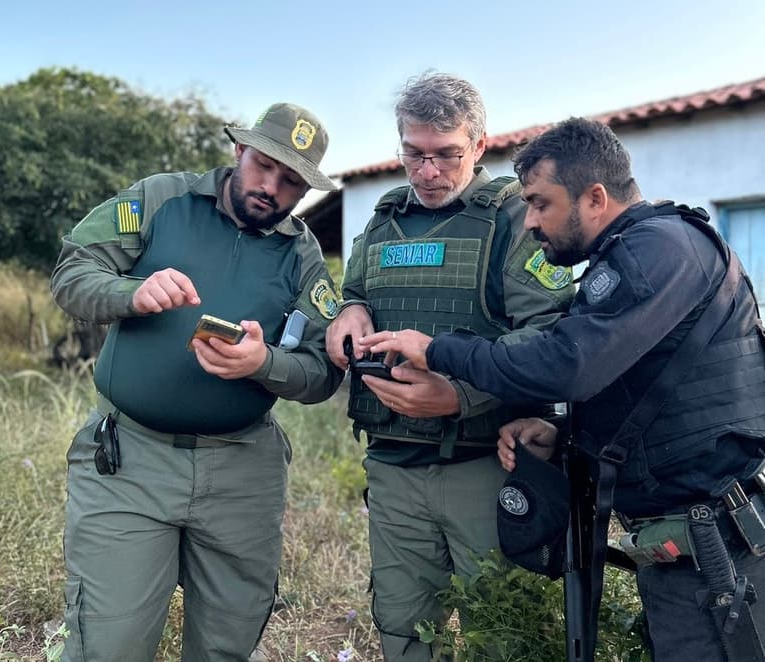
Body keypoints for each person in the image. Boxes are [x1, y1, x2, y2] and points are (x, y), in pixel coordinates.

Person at [359, 117, 765, 662]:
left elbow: (565, 362)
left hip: (720, 553)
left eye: (540, 203)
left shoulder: (659, 250)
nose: (529, 222)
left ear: (594, 198)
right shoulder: (633, 254)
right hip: (688, 547)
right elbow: (633, 385)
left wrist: (436, 350)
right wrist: (560, 431)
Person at [50, 102, 345, 662]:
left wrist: (263, 364)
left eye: (291, 181)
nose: (270, 187)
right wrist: (129, 294)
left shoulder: (302, 253)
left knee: (227, 645)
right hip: (130, 463)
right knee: (107, 643)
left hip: (242, 473)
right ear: (239, 150)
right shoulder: (160, 199)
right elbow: (73, 271)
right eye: (263, 165)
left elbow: (322, 372)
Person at [324, 72, 574, 660]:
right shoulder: (383, 219)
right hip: (391, 467)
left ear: (480, 147)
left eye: (446, 155)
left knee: (504, 636)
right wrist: (349, 310)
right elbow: (352, 292)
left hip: (485, 468)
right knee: (404, 635)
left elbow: (550, 336)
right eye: (414, 154)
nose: (428, 172)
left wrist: (460, 394)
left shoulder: (516, 220)